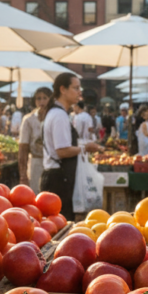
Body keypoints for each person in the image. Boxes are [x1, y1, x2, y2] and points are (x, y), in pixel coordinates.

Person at [41, 74, 102, 221]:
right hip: (57, 180)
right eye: (75, 88)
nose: (79, 92)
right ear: (63, 89)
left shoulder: (58, 113)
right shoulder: (59, 115)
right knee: (59, 225)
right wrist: (85, 148)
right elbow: (62, 150)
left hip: (56, 177)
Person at [19, 88, 52, 193]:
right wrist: (23, 174)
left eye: (45, 98)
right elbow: (23, 147)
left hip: (52, 163)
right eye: (38, 98)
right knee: (35, 193)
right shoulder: (29, 119)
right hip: (36, 161)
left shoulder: (54, 117)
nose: (41, 102)